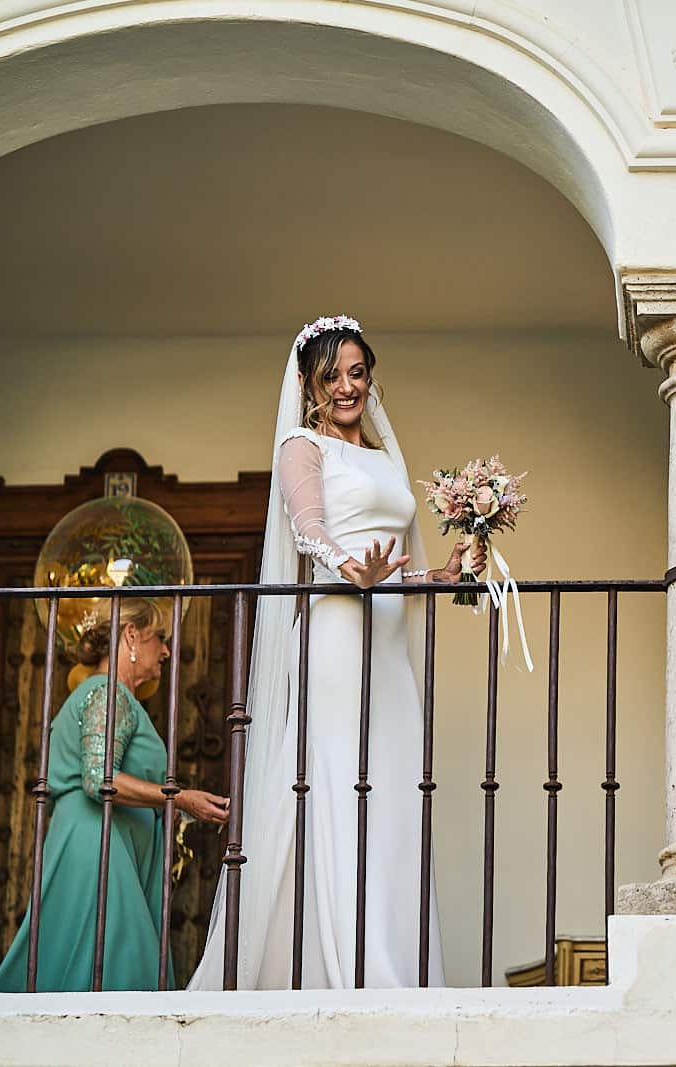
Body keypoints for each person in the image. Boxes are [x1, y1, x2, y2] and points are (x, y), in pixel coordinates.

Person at [187, 315, 480, 990]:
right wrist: (351, 568)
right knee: (344, 784)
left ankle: (396, 962)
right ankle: (350, 967)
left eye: (357, 371)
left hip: (387, 638)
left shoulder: (383, 457)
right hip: (337, 632)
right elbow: (310, 528)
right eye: (332, 375)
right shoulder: (302, 445)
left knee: (398, 792)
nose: (347, 387)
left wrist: (445, 574)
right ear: (308, 383)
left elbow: (403, 566)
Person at [0, 599, 229, 991]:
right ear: (131, 635)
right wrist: (179, 798)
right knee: (120, 973)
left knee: (92, 974)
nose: (166, 651)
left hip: (101, 845)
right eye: (159, 638)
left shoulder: (109, 695)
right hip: (99, 849)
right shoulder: (108, 692)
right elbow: (99, 778)